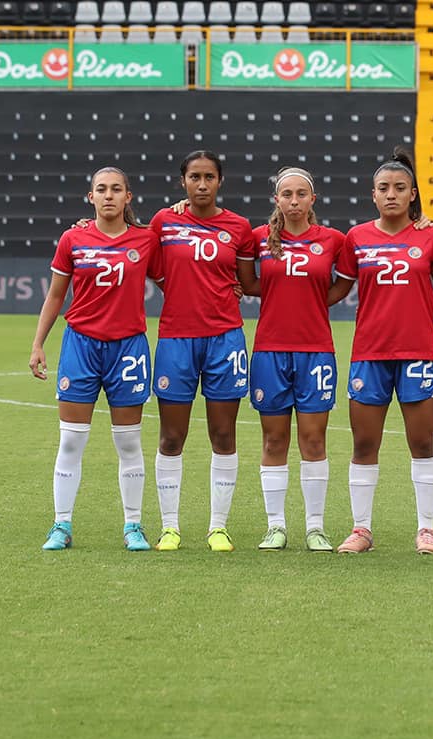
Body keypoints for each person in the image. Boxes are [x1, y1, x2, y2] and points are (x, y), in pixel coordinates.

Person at [30, 167, 160, 551]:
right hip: (81, 346)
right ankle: (61, 525)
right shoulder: (73, 238)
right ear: (91, 197)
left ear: (128, 196)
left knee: (129, 443)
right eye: (101, 189)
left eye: (116, 189)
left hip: (128, 349)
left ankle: (133, 526)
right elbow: (56, 295)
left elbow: (173, 279)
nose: (108, 195)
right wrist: (38, 344)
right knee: (71, 441)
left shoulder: (146, 239)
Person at [335, 150, 433, 554]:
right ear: (373, 194)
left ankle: (426, 529)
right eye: (383, 188)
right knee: (364, 445)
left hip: (417, 353)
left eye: (400, 188)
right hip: (370, 353)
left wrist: (422, 309)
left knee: (423, 444)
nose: (391, 194)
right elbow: (337, 289)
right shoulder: (356, 238)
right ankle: (361, 529)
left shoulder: (431, 237)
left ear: (412, 193)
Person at [237, 167, 352, 552]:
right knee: (274, 439)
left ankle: (315, 527)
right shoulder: (257, 238)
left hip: (315, 351)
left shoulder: (333, 240)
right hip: (270, 351)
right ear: (277, 200)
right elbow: (248, 283)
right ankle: (276, 526)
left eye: (301, 194)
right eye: (286, 194)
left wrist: (315, 302)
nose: (294, 201)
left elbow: (343, 283)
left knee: (313, 439)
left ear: (312, 199)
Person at [151, 150, 255, 552]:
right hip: (177, 339)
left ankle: (218, 528)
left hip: (225, 338)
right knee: (171, 436)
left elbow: (245, 279)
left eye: (209, 177)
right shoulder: (164, 221)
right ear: (183, 182)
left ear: (219, 181)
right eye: (194, 177)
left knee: (223, 433)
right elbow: (149, 263)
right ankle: (170, 527)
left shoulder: (239, 227)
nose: (201, 184)